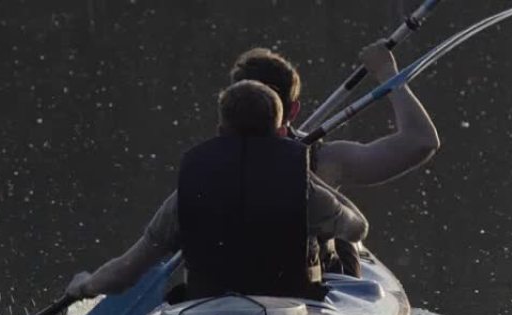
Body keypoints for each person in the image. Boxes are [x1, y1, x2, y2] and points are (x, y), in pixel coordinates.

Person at [65, 80, 368, 301]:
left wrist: (86, 285)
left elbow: (124, 274)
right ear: (279, 132)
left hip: (206, 313)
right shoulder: (305, 193)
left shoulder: (187, 194)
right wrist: (309, 177)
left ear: (220, 129)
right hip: (289, 310)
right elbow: (356, 229)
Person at [230, 41, 439, 276]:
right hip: (303, 293)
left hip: (229, 292)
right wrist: (387, 73)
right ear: (294, 110)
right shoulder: (327, 160)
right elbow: (421, 141)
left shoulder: (205, 164)